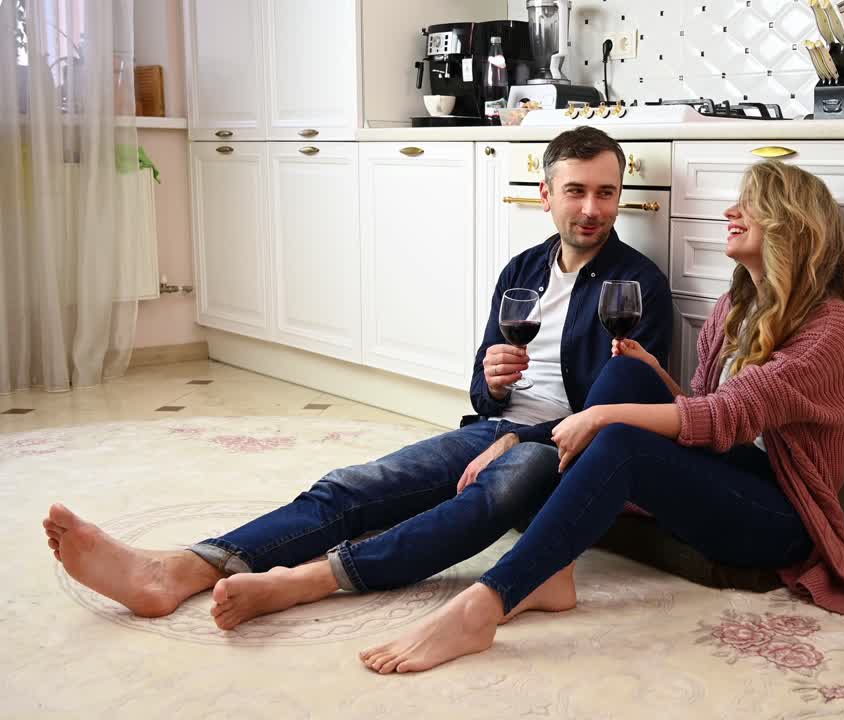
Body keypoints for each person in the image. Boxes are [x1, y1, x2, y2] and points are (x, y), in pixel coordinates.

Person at [42, 126, 673, 631]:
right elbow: (481, 397)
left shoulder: (639, 284)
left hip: (563, 455)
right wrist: (494, 383)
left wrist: (521, 439)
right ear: (545, 194)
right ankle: (180, 569)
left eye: (607, 193)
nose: (592, 209)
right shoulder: (522, 270)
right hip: (494, 429)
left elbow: (613, 418)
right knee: (351, 487)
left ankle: (304, 580)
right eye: (576, 191)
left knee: (486, 499)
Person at [358, 160, 844, 674]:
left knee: (619, 439)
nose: (731, 210)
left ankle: (484, 605)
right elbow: (703, 409)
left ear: (789, 221)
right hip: (734, 473)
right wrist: (654, 375)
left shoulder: (831, 326)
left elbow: (728, 414)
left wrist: (600, 416)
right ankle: (553, 569)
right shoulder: (734, 308)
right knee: (629, 375)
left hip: (785, 516)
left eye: (749, 204)